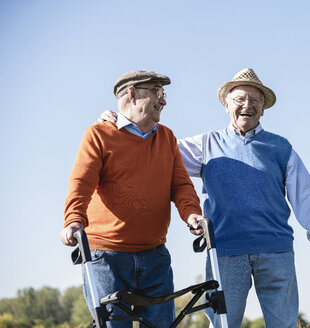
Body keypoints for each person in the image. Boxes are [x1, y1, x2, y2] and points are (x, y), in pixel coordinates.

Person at [99, 68, 310, 328]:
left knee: (284, 324)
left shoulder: (280, 148)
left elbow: (304, 192)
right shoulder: (206, 144)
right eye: (239, 99)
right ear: (227, 106)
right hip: (225, 253)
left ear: (263, 109)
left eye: (254, 100)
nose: (247, 105)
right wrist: (121, 123)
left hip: (276, 252)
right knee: (223, 325)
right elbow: (154, 147)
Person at [61, 70, 205, 328]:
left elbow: (181, 185)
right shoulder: (98, 135)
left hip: (155, 256)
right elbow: (81, 183)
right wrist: (73, 220)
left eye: (164, 94)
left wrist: (191, 213)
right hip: (106, 258)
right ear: (132, 94)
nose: (164, 101)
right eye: (157, 93)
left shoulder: (167, 138)